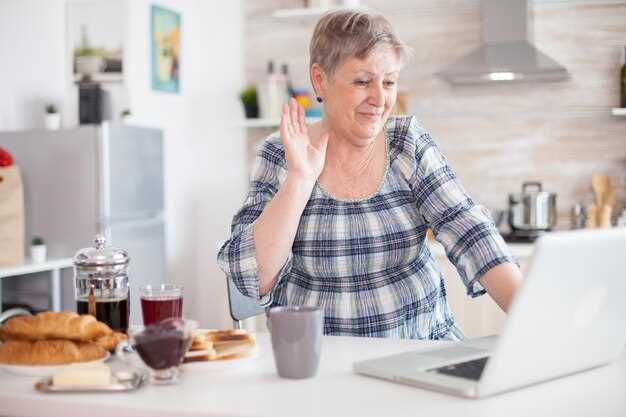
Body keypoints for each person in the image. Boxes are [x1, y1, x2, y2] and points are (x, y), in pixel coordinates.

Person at [218, 9, 522, 340]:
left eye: (389, 81)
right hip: (321, 364)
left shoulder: (407, 142)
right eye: (363, 81)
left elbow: (469, 230)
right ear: (321, 80)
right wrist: (299, 180)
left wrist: (533, 315)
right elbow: (252, 278)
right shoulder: (279, 155)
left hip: (421, 348)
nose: (380, 99)